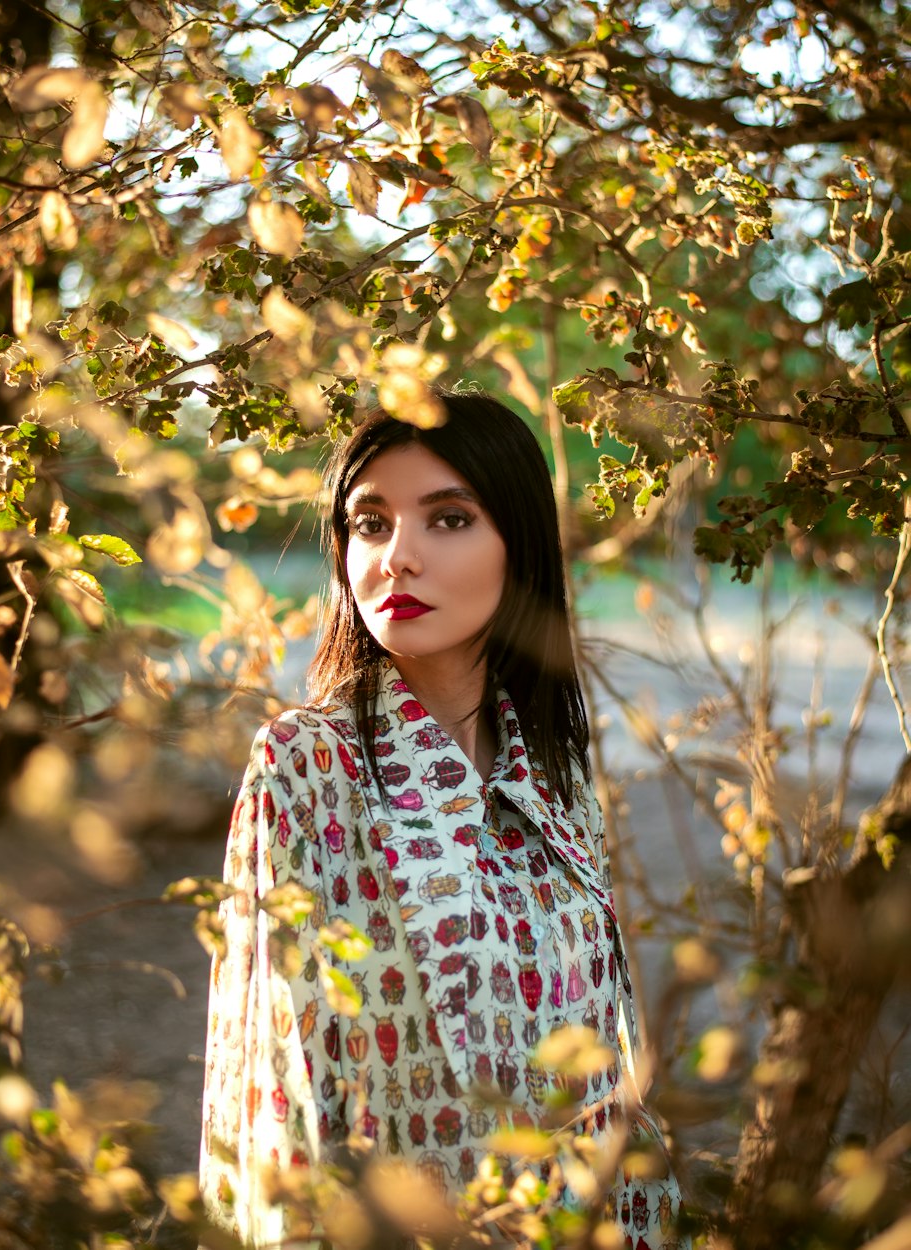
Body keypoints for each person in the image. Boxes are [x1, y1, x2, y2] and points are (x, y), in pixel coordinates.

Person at [199, 391, 686, 1248]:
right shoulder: (307, 767)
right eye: (372, 523)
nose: (398, 558)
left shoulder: (556, 774)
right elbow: (278, 1094)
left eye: (450, 520)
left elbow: (612, 1086)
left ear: (520, 547)